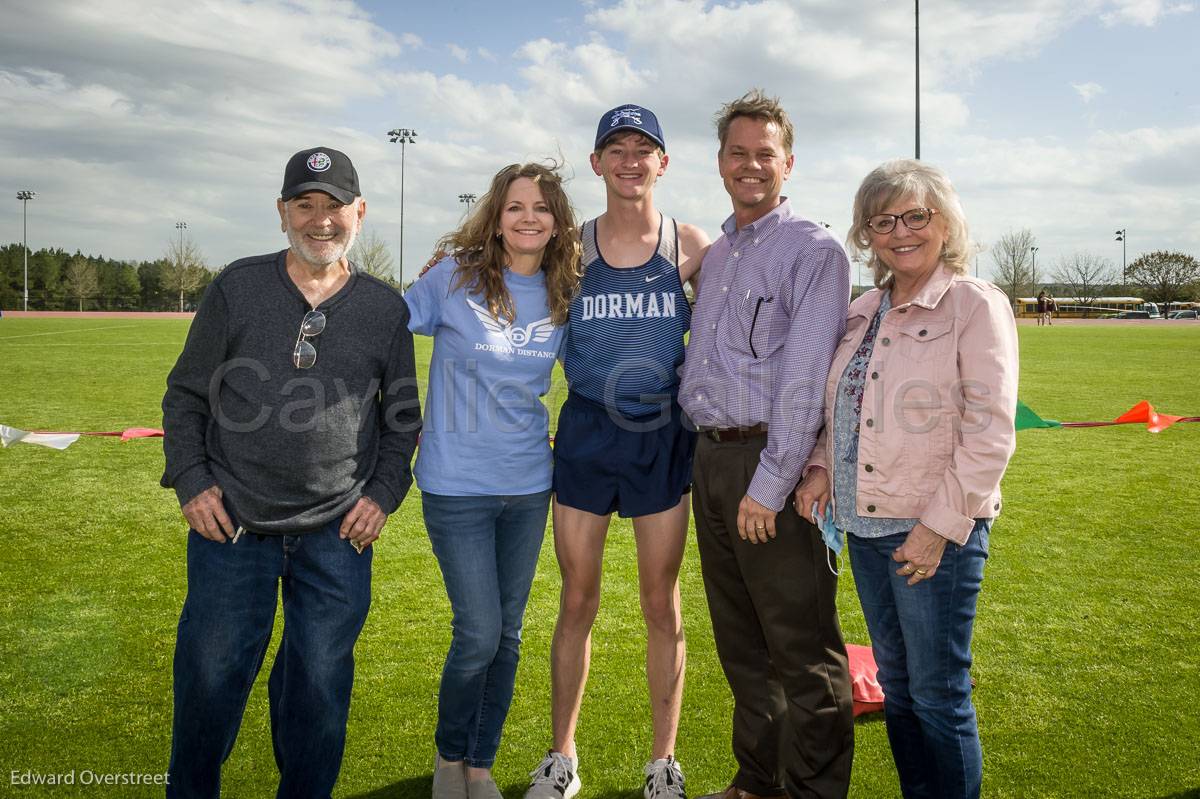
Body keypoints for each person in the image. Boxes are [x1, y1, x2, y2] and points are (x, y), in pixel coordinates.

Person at [161, 146, 421, 798]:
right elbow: (186, 396)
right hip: (233, 528)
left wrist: (385, 493)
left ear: (359, 213)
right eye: (305, 204)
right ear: (283, 212)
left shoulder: (385, 310)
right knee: (210, 678)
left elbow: (403, 420)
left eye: (334, 206)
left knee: (318, 686)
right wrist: (192, 479)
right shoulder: (237, 287)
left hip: (337, 533)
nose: (320, 219)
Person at [795, 159, 1019, 799]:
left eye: (915, 216)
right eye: (882, 220)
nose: (900, 231)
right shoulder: (863, 308)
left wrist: (938, 529)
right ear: (867, 234)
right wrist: (817, 467)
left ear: (944, 223)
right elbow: (840, 406)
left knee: (939, 694)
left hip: (930, 535)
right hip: (863, 527)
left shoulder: (973, 304)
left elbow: (990, 431)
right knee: (898, 689)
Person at [524, 104, 710, 799]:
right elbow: (500, 278)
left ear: (663, 163)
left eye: (644, 149)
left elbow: (752, 308)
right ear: (597, 163)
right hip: (586, 432)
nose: (631, 161)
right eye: (616, 149)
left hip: (661, 437)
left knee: (662, 602)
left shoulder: (688, 244)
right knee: (577, 599)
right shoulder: (567, 247)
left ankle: (664, 763)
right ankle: (561, 757)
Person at [678, 89, 854, 798]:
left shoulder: (813, 250)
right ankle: (757, 780)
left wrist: (771, 481)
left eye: (765, 154)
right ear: (721, 161)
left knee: (802, 648)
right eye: (738, 153)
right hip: (711, 459)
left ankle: (811, 790)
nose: (751, 165)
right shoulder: (717, 254)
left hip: (767, 464)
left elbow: (805, 377)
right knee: (742, 645)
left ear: (788, 164)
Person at [405, 162, 581, 799]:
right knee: (477, 631)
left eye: (541, 207)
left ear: (558, 221)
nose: (528, 217)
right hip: (456, 485)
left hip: (529, 484)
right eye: (514, 207)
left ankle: (480, 764)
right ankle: (449, 756)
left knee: (507, 634)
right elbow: (384, 332)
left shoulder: (567, 291)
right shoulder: (452, 280)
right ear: (496, 217)